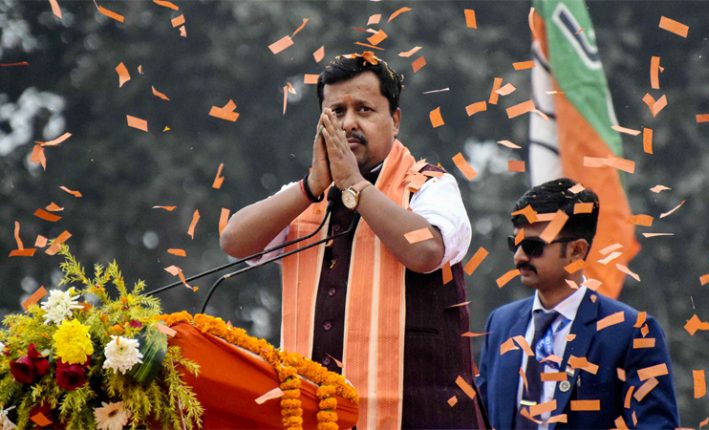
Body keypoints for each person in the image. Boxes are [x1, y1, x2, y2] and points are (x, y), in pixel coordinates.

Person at [220, 52, 485, 429]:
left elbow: (425, 251)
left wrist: (355, 187)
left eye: (364, 110)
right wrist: (312, 186)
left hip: (422, 416)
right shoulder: (308, 195)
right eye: (337, 112)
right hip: (319, 416)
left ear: (395, 120)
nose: (349, 124)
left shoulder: (429, 186)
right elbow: (235, 241)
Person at [476, 178, 679, 429]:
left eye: (532, 247)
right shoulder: (500, 324)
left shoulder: (632, 333)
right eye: (514, 243)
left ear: (577, 250)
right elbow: (478, 418)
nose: (519, 256)